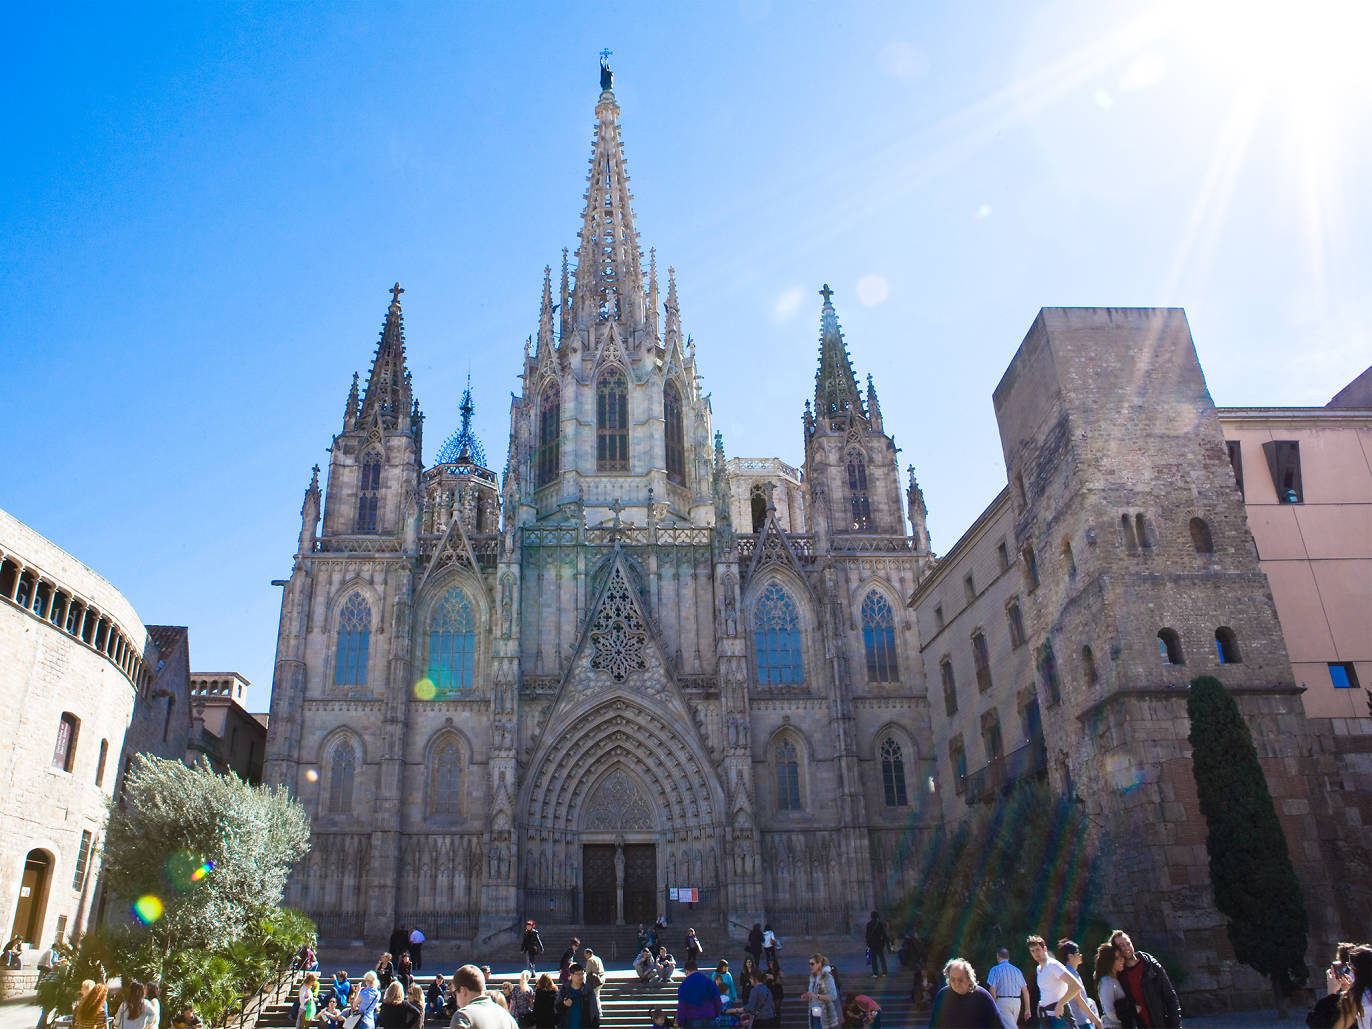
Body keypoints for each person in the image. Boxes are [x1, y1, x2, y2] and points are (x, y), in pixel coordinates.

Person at [1107, 931, 1180, 1029]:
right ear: (1116, 950)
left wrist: (1175, 1026)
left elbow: (1170, 997)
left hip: (1163, 1024)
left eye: (1128, 943)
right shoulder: (1120, 976)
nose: (1126, 948)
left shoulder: (1151, 966)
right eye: (1121, 945)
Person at [1028, 935, 1101, 1029]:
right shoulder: (1039, 969)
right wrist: (1041, 1003)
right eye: (1032, 951)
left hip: (1060, 1018)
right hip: (1046, 1016)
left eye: (1038, 949)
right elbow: (1049, 989)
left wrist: (1060, 1004)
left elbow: (1075, 986)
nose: (1036, 953)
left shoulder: (1053, 965)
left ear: (1044, 949)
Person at [927, 958, 1000, 1028]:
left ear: (969, 979)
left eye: (960, 980)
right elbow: (934, 1025)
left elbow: (998, 1025)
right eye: (952, 979)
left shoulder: (983, 996)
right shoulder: (942, 996)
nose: (956, 983)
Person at [984, 947, 1030, 1029]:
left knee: (1010, 1027)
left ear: (998, 956)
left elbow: (992, 989)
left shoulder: (995, 970)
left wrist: (993, 1005)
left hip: (1002, 1001)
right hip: (1017, 1002)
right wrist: (1027, 1009)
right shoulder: (1017, 971)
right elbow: (1025, 990)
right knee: (1010, 1026)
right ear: (1008, 958)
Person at [1057, 940, 1096, 1028]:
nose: (1080, 955)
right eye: (1077, 953)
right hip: (1081, 1022)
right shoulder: (1071, 973)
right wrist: (1095, 1019)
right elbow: (1078, 999)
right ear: (1070, 956)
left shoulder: (1068, 972)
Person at [675, 956, 723, 1029]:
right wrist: (715, 1014)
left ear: (686, 971)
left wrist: (680, 1024)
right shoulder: (708, 981)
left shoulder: (684, 985)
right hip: (710, 1017)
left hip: (692, 1019)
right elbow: (717, 1001)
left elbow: (682, 1007)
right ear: (697, 969)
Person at [1093, 942, 1132, 1029]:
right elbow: (1110, 1012)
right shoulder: (1106, 982)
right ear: (1109, 962)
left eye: (1121, 956)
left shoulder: (1115, 979)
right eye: (1117, 958)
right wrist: (1131, 1015)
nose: (1122, 960)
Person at [1333, 945, 1371, 1029]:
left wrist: (1332, 991)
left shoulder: (1357, 995)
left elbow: (1342, 1025)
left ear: (1356, 969)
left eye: (1349, 965)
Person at [802, 954, 840, 1029]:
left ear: (819, 964)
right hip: (814, 1012)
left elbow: (833, 996)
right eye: (810, 964)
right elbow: (812, 994)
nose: (810, 966)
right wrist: (807, 996)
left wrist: (817, 996)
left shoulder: (828, 977)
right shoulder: (813, 978)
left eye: (812, 964)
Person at [34, 939, 64, 1029]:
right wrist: (53, 968)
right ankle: (40, 1026)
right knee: (47, 1008)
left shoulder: (55, 954)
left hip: (46, 988)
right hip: (44, 968)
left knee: (46, 1009)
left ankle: (42, 1024)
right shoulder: (51, 951)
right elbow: (49, 962)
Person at [556, 964, 596, 1028]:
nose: (581, 976)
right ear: (571, 975)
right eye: (578, 974)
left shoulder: (588, 991)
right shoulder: (564, 990)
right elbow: (556, 1009)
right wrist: (564, 1005)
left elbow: (594, 1011)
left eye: (582, 974)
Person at [582, 948, 606, 1022]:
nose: (584, 956)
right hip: (601, 978)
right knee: (597, 995)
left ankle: (598, 1011)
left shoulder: (590, 960)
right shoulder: (597, 958)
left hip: (594, 980)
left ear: (589, 953)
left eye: (585, 954)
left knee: (595, 996)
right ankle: (599, 1011)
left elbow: (588, 971)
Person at [864, 913, 889, 979]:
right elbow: (884, 935)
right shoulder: (880, 924)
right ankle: (884, 972)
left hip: (872, 944)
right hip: (879, 944)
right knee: (882, 958)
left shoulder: (869, 924)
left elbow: (867, 936)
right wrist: (883, 944)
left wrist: (868, 944)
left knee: (873, 959)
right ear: (877, 916)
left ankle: (875, 973)